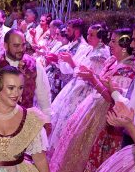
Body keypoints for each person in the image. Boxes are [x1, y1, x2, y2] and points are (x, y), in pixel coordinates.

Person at [49, 29, 135, 172]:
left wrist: (93, 79)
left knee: (90, 154)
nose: (110, 44)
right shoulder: (114, 61)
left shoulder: (128, 70)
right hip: (94, 107)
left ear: (123, 47)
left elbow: (113, 99)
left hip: (105, 116)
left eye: (114, 42)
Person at [47, 23, 111, 154]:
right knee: (60, 118)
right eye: (88, 34)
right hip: (77, 85)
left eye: (92, 35)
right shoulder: (90, 49)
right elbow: (78, 69)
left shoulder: (100, 54)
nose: (88, 37)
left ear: (100, 37)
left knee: (68, 122)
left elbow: (91, 75)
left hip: (86, 91)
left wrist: (71, 62)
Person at [0, 30, 53, 129]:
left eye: (23, 45)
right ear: (6, 46)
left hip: (25, 128)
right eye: (16, 46)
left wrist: (47, 121)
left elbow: (44, 97)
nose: (21, 49)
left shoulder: (34, 66)